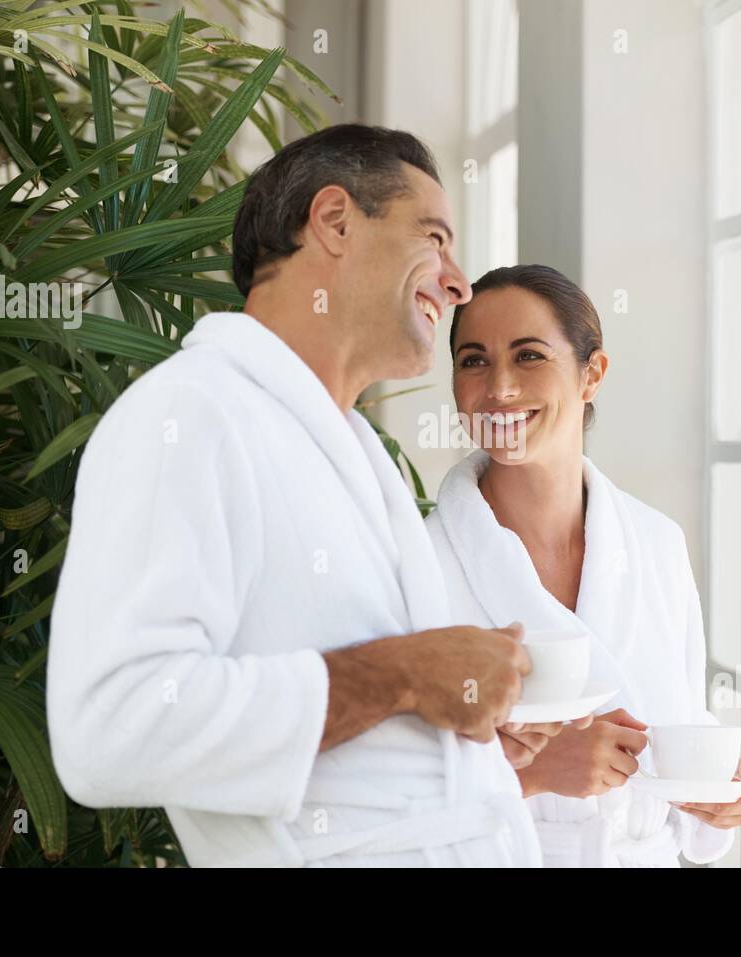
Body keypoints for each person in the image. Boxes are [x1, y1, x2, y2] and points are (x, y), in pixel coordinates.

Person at [46, 126, 568, 867]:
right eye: (435, 239)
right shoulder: (189, 415)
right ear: (333, 220)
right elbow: (110, 725)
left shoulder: (354, 450)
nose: (458, 283)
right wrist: (404, 673)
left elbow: (354, 726)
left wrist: (456, 726)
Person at [424, 264, 741, 867]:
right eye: (473, 360)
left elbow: (682, 727)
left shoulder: (657, 544)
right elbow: (378, 785)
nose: (499, 387)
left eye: (528, 355)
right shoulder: (421, 559)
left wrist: (719, 795)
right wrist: (531, 774)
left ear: (592, 374)